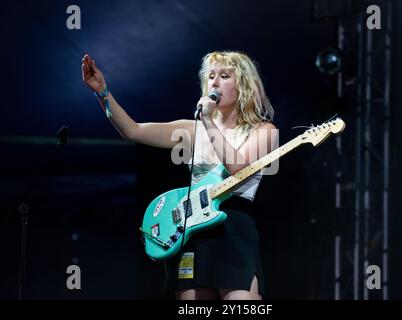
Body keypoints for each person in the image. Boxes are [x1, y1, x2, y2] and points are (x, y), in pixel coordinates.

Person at [82, 51, 277, 300]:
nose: (214, 82)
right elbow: (133, 130)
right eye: (211, 76)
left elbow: (237, 168)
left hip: (233, 226)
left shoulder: (263, 131)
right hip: (193, 227)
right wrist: (102, 93)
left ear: (244, 85)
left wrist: (208, 120)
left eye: (224, 76)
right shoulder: (192, 129)